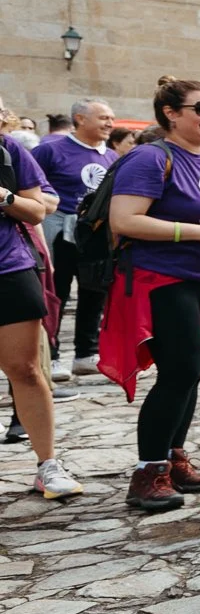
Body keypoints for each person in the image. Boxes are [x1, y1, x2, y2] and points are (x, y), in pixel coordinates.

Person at [105, 76, 200, 513]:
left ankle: (173, 456)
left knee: (192, 370)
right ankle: (148, 472)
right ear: (171, 113)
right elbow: (124, 220)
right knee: (179, 371)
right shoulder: (150, 159)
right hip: (159, 278)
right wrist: (199, 233)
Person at [1, 102, 82, 496]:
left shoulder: (9, 150)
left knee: (26, 369)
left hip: (8, 268)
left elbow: (37, 209)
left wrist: (3, 197)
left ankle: (47, 465)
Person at [38, 97, 116, 383]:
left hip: (94, 234)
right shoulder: (49, 151)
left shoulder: (111, 156)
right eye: (103, 118)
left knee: (94, 290)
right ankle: (53, 355)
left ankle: (86, 353)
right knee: (55, 293)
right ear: (80, 119)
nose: (110, 123)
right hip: (59, 231)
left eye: (111, 118)